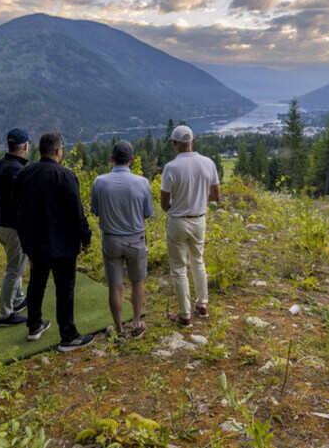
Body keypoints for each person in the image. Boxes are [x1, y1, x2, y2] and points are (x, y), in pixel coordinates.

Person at [14, 132, 95, 351]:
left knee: (36, 284)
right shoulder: (65, 176)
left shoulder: (25, 174)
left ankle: (34, 325)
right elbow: (76, 212)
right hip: (63, 244)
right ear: (59, 151)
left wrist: (24, 237)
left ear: (40, 150)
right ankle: (68, 336)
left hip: (35, 242)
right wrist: (85, 237)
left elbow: (18, 210)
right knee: (64, 289)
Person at [91, 141, 153, 339]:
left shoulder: (99, 182)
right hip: (136, 239)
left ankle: (118, 328)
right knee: (137, 282)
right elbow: (147, 213)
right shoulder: (142, 182)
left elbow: (95, 211)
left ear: (111, 158)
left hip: (111, 240)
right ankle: (136, 321)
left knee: (115, 286)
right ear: (131, 160)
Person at [160, 125, 221, 327]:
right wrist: (200, 199)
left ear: (174, 144)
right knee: (198, 261)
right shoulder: (208, 163)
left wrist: (175, 208)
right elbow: (216, 196)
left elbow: (164, 202)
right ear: (193, 141)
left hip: (178, 221)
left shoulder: (171, 167)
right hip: (199, 219)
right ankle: (202, 304)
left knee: (179, 268)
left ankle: (184, 315)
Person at [0, 128, 30, 327]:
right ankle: (5, 314)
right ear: (26, 146)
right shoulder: (19, 171)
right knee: (14, 269)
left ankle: (18, 299)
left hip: (1, 224)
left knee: (15, 264)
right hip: (15, 228)